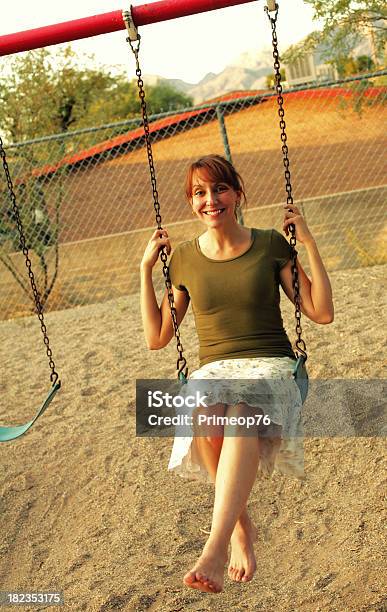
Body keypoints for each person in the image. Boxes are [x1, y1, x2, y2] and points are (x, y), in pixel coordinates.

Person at [140, 154, 334, 594]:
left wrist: (309, 245)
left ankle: (214, 547)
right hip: (215, 370)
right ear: (191, 202)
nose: (211, 200)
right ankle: (241, 526)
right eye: (200, 193)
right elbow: (157, 338)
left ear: (237, 193)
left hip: (270, 364)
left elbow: (321, 312)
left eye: (220, 189)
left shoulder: (270, 245)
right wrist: (145, 270)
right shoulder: (185, 258)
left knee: (241, 411)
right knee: (202, 407)